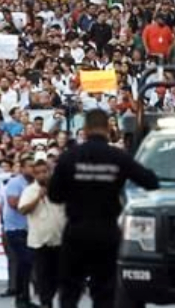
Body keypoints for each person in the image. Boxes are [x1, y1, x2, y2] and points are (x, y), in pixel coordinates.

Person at [48, 109, 160, 308]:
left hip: (76, 230)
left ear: (85, 129)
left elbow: (54, 195)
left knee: (70, 290)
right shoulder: (117, 157)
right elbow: (150, 181)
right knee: (105, 291)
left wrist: (75, 190)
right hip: (107, 231)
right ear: (108, 129)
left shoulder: (69, 157)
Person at [19, 159, 66, 308]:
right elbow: (22, 210)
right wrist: (38, 198)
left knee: (59, 276)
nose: (42, 175)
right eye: (38, 173)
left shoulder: (60, 189)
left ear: (50, 172)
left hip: (60, 240)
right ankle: (46, 303)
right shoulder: (29, 191)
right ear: (34, 175)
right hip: (40, 242)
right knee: (43, 276)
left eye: (45, 172)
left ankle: (51, 298)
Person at [3, 157, 36, 308]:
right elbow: (13, 203)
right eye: (29, 166)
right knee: (25, 261)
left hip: (30, 228)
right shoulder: (15, 182)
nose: (32, 169)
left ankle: (24, 297)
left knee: (27, 264)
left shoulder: (35, 183)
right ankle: (21, 297)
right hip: (16, 229)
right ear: (22, 169)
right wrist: (33, 202)